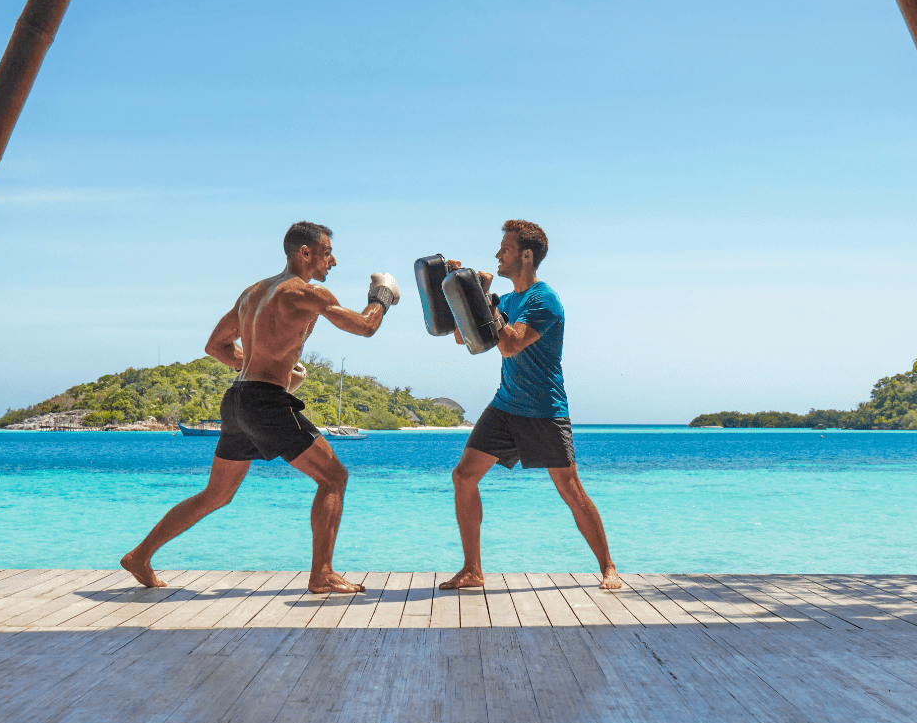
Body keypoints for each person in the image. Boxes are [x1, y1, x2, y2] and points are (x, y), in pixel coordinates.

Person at [121, 221, 399, 593]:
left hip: (237, 399)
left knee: (216, 493)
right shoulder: (306, 293)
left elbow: (215, 346)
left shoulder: (253, 293)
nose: (333, 260)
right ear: (305, 253)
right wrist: (382, 294)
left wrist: (261, 363)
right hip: (265, 402)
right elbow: (366, 326)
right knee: (333, 477)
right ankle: (322, 574)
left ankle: (140, 555)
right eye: (327, 252)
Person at [439, 220, 621, 591]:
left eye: (504, 249)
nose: (497, 255)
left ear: (525, 255)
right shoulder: (506, 301)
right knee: (463, 476)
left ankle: (608, 567)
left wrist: (481, 295)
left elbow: (510, 344)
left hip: (544, 411)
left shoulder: (543, 300)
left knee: (570, 490)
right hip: (505, 406)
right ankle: (473, 569)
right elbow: (463, 339)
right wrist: (459, 290)